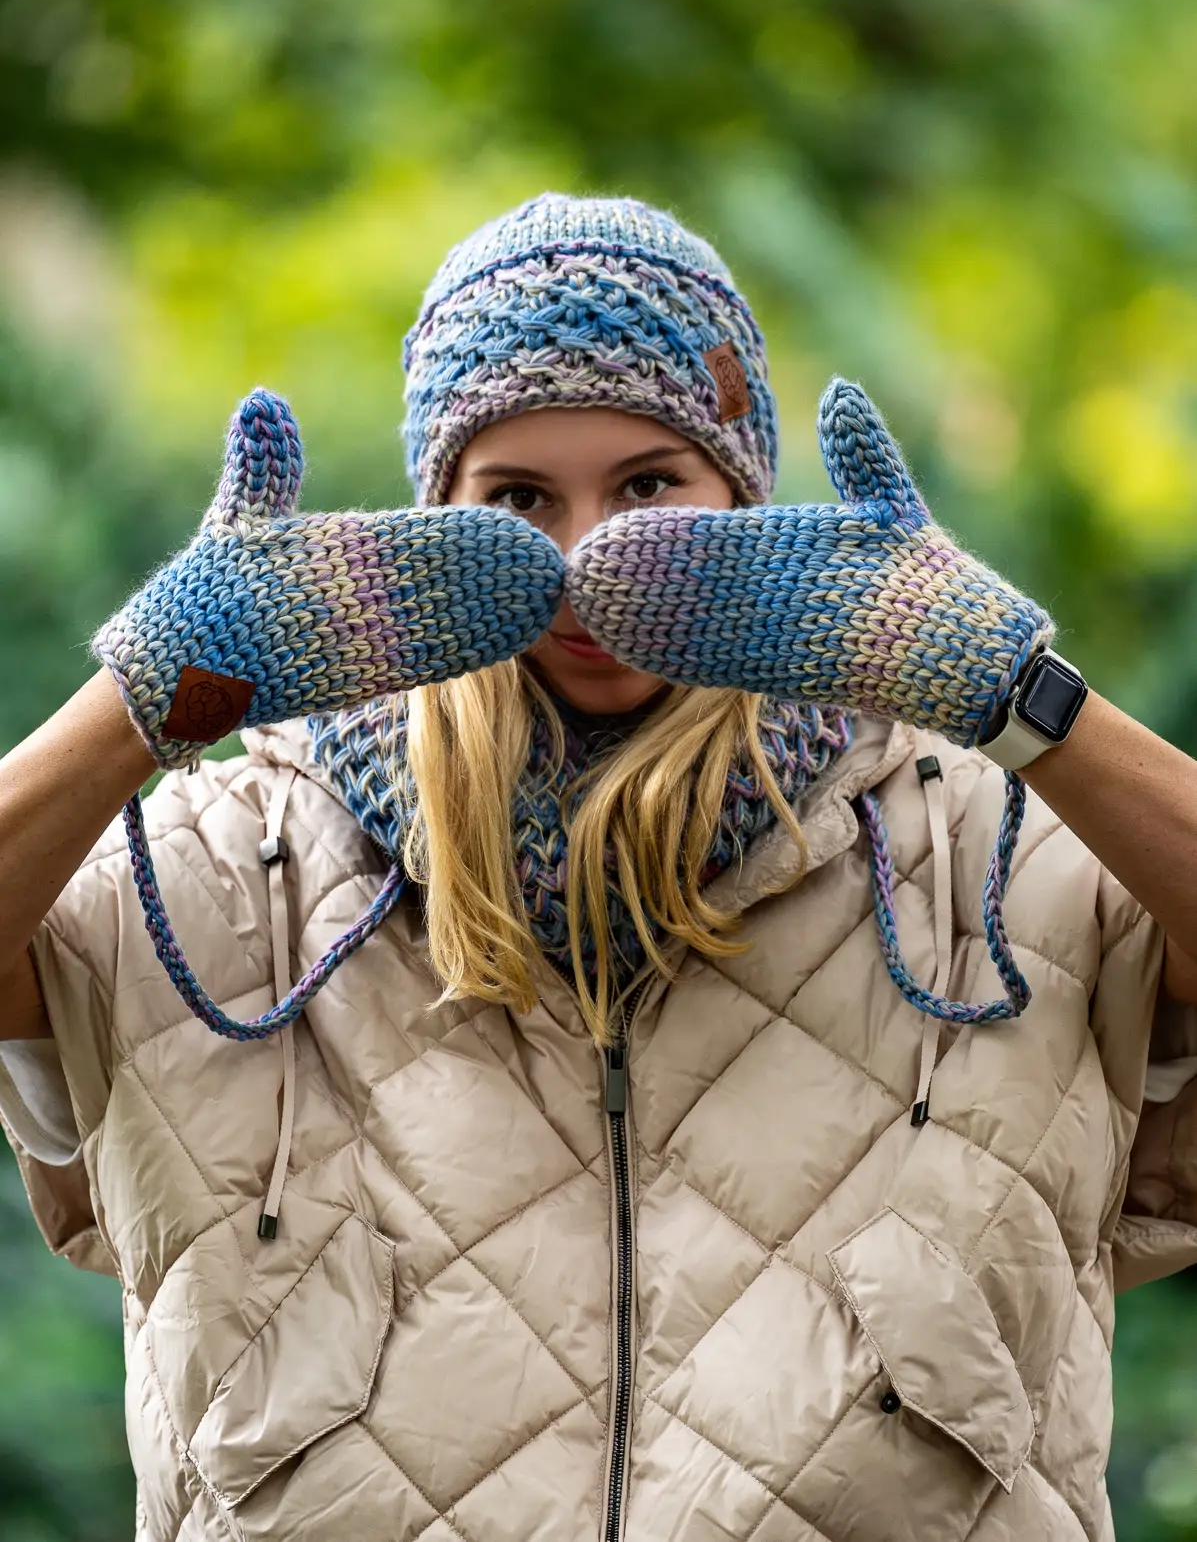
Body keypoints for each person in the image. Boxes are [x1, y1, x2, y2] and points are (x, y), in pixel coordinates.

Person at [0, 193, 1195, 1542]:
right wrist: (141, 697)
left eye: (646, 487)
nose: (586, 560)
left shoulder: (986, 850)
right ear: (432, 512)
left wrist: (1019, 698)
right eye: (516, 499)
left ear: (744, 493)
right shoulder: (230, 868)